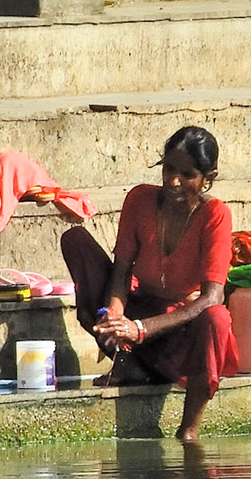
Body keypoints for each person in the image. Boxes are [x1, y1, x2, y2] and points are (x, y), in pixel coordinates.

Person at [60, 125, 238, 443]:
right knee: (76, 240)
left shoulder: (215, 215)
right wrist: (115, 314)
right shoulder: (140, 200)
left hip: (178, 326)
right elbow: (121, 271)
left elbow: (212, 298)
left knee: (218, 318)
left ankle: (189, 428)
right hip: (138, 306)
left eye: (187, 174)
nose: (173, 181)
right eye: (169, 168)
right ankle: (130, 362)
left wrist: (139, 329)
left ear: (207, 178)